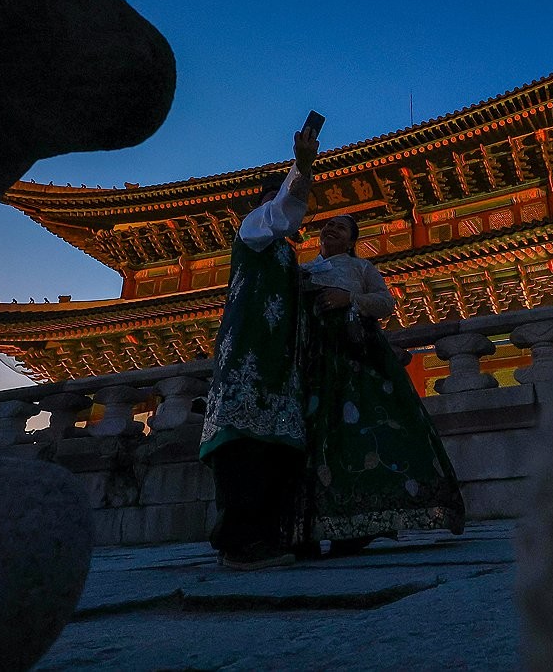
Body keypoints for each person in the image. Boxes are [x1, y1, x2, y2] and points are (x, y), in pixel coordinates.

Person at [299, 214, 465, 554]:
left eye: (340, 228)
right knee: (316, 438)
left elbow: (386, 303)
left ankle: (363, 520)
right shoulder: (304, 271)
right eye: (326, 226)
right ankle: (311, 525)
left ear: (351, 241)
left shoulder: (361, 268)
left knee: (362, 436)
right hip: (314, 362)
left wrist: (351, 300)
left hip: (357, 361)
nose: (330, 230)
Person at [199, 126, 319, 570]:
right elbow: (283, 212)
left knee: (275, 446)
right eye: (282, 195)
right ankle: (238, 542)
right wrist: (302, 168)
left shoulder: (287, 255)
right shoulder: (254, 227)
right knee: (244, 444)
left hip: (278, 359)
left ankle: (272, 536)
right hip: (248, 355)